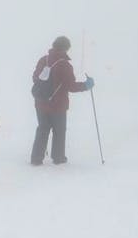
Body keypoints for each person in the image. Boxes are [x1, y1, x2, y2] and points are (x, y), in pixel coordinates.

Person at [30, 36, 95, 165]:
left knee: (42, 128)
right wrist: (86, 85)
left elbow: (35, 78)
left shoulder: (43, 60)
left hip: (41, 103)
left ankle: (36, 159)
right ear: (66, 48)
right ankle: (58, 157)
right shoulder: (65, 65)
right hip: (57, 106)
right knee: (59, 131)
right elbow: (71, 86)